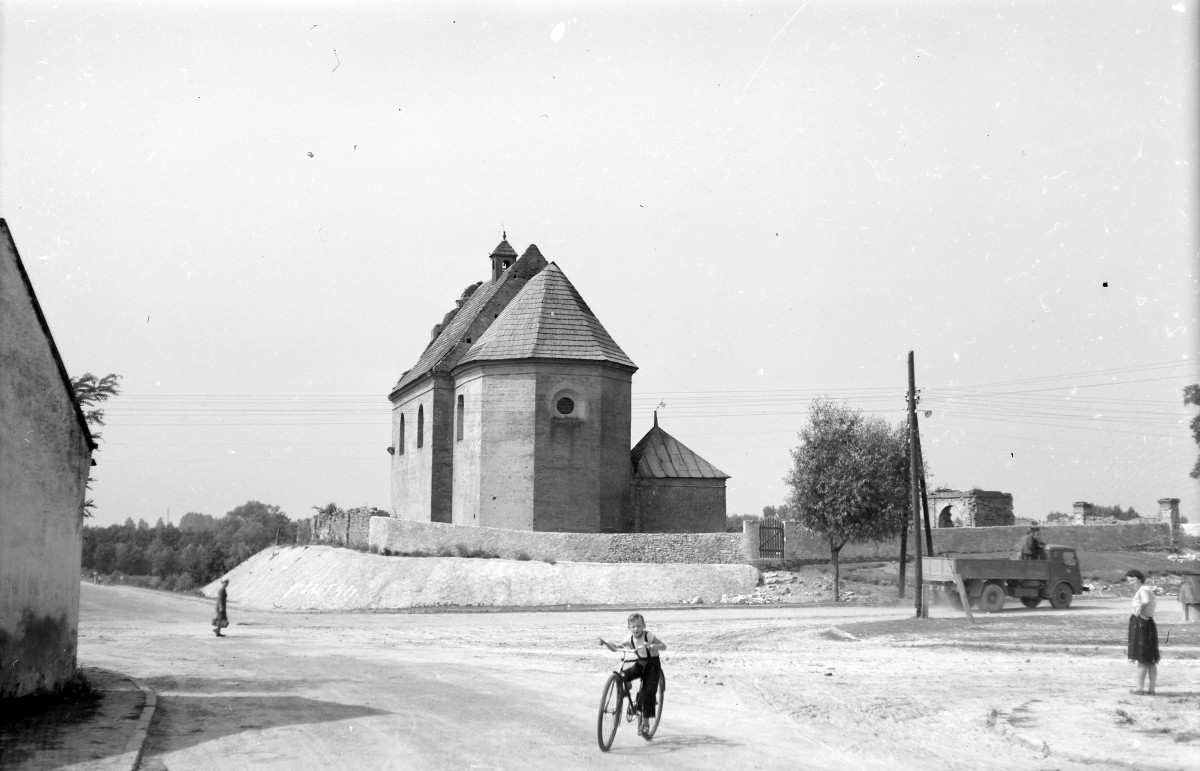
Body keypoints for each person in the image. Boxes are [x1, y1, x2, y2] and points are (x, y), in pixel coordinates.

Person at [598, 613, 666, 739]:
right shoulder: (629, 639)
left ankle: (645, 724)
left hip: (652, 665)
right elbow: (616, 648)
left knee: (648, 693)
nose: (636, 629)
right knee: (623, 675)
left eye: (639, 626)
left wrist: (654, 646)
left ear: (644, 626)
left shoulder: (648, 635)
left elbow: (663, 646)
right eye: (633, 626)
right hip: (641, 663)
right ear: (629, 627)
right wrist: (606, 643)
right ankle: (626, 689)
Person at [1125, 569, 1159, 695]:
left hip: (1141, 624)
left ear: (1139, 578)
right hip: (1148, 623)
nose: (1131, 583)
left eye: (1133, 580)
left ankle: (1139, 688)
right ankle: (1151, 689)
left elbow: (1146, 601)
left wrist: (1139, 611)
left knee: (1142, 657)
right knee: (1150, 659)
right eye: (1129, 581)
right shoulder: (1147, 589)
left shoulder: (1143, 590)